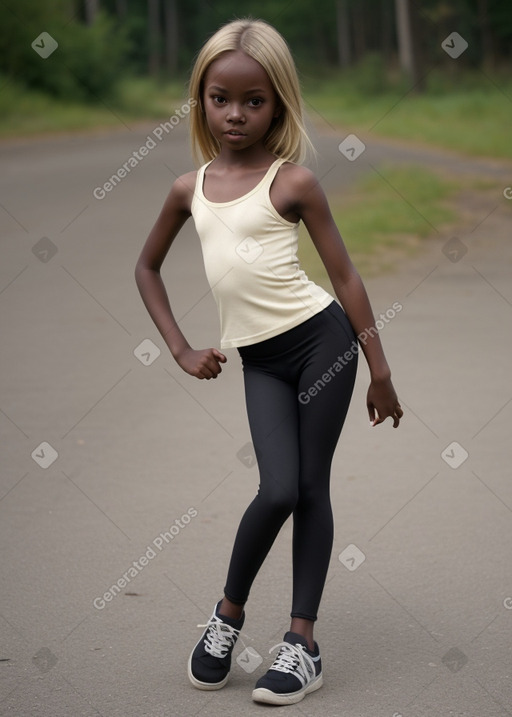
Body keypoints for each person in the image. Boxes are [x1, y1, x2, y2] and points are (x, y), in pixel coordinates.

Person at [135, 17, 403, 706]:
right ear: (201, 100)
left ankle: (302, 643)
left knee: (309, 487)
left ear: (278, 105)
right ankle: (227, 615)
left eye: (254, 101)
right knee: (276, 487)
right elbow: (146, 268)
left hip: (323, 342)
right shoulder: (185, 189)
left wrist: (379, 369)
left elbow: (345, 279)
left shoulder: (295, 182)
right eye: (221, 98)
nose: (235, 113)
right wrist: (181, 347)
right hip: (259, 361)